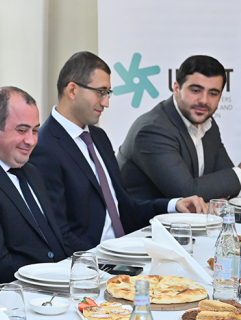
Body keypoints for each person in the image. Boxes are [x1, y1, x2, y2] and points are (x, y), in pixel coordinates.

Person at [29, 52, 206, 254]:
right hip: (94, 261)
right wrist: (109, 259)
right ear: (72, 90)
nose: (106, 102)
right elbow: (59, 234)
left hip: (126, 250)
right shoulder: (44, 147)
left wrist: (174, 205)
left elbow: (123, 208)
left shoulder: (98, 137)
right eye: (100, 92)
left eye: (108, 93)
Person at [118, 55, 241, 201]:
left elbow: (228, 183)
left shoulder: (208, 124)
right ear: (176, 88)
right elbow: (186, 194)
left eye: (213, 93)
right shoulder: (153, 131)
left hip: (188, 218)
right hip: (148, 219)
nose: (204, 101)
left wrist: (215, 197)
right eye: (196, 90)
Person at [0, 87, 72, 284]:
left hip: (63, 280)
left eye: (35, 130)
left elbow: (55, 239)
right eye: (22, 130)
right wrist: (55, 280)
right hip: (29, 291)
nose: (31, 140)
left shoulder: (32, 171)